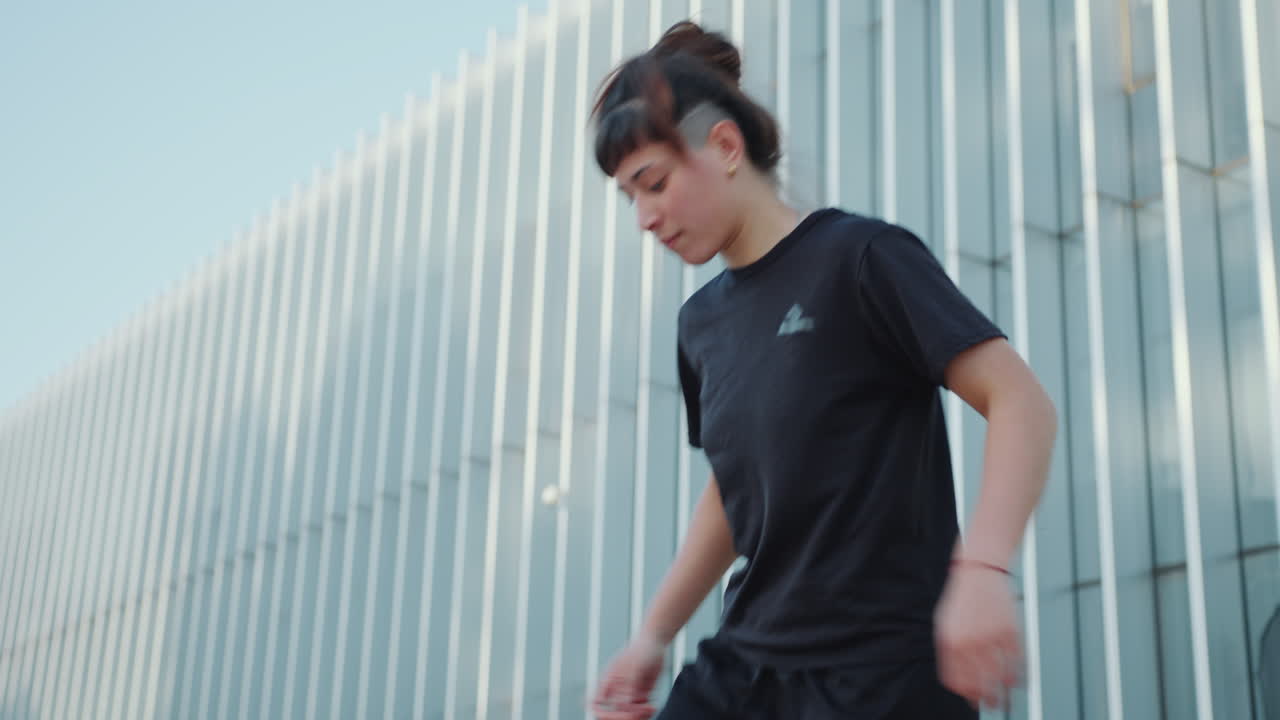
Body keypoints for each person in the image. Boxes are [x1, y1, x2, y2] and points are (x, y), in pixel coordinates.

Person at [588, 20, 1057, 720]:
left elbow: (1020, 400)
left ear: (722, 146)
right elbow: (732, 488)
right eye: (629, 197)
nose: (644, 218)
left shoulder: (861, 258)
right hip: (743, 667)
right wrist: (652, 636)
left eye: (652, 184)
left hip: (879, 674)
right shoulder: (700, 326)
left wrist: (984, 572)